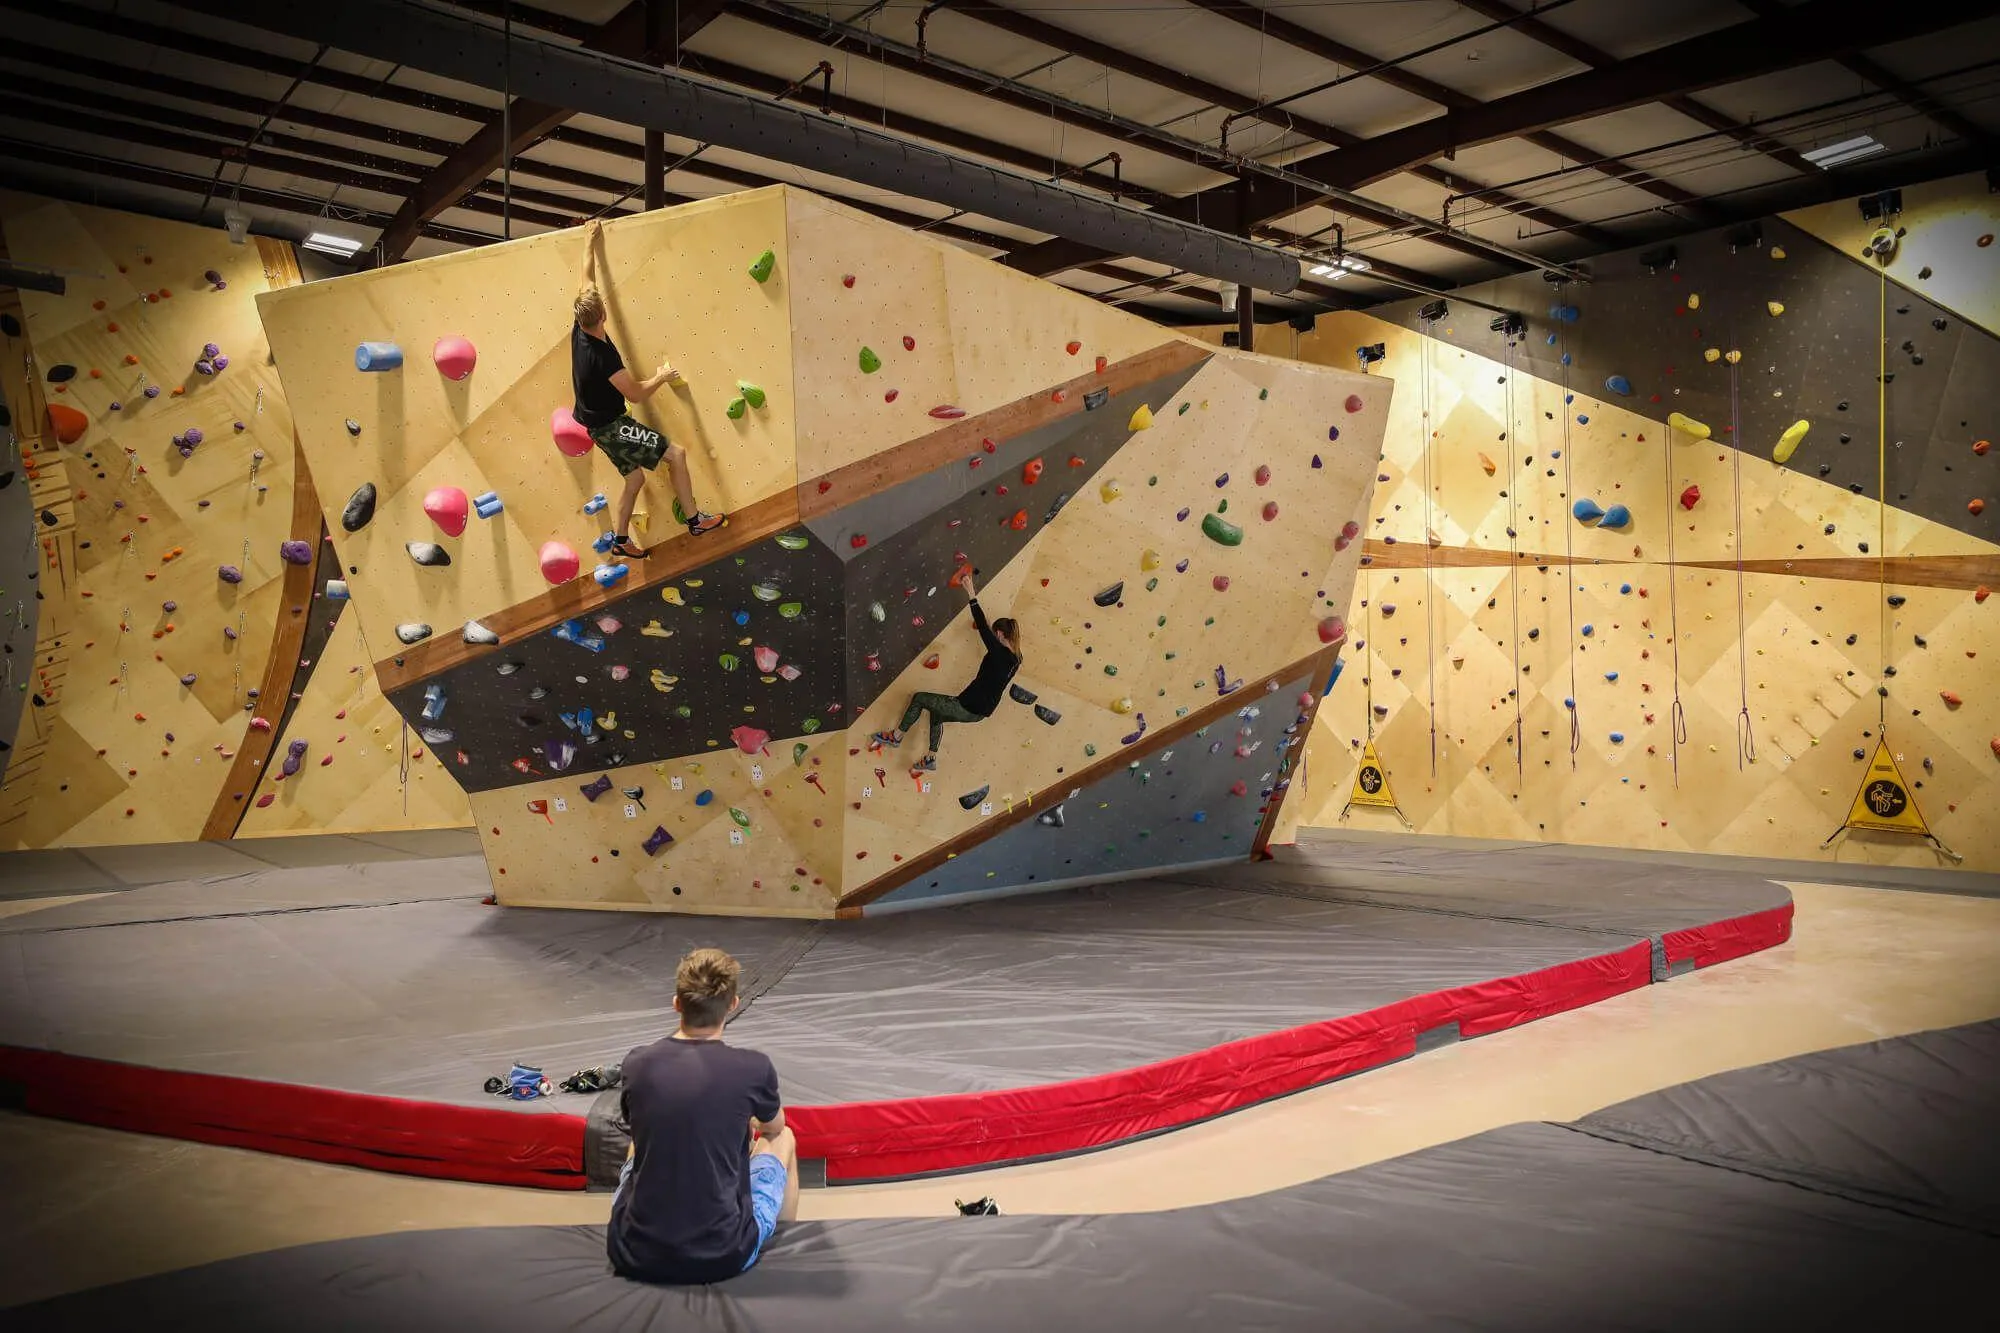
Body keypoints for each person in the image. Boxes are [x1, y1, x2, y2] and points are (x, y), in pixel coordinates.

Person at [608, 948, 798, 1286]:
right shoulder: (753, 1068)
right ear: (733, 1004)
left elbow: (640, 1126)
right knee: (784, 1138)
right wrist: (748, 1120)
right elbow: (775, 1126)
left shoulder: (637, 1063)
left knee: (639, 1140)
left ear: (677, 1003)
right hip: (723, 1254)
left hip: (634, 1251)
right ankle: (777, 1249)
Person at [573, 218, 724, 558]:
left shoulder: (581, 322)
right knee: (676, 455)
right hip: (612, 428)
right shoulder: (602, 358)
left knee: (635, 480)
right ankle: (695, 521)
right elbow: (635, 394)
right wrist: (662, 376)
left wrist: (589, 240)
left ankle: (621, 540)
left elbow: (586, 278)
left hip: (596, 425)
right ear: (603, 315)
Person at [871, 571, 1020, 775]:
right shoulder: (1016, 659)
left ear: (1000, 634)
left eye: (996, 635)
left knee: (920, 698)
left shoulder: (1000, 654)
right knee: (937, 713)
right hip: (980, 712)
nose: (994, 638)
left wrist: (971, 593)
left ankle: (896, 737)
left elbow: (983, 628)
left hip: (968, 706)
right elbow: (990, 639)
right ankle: (931, 758)